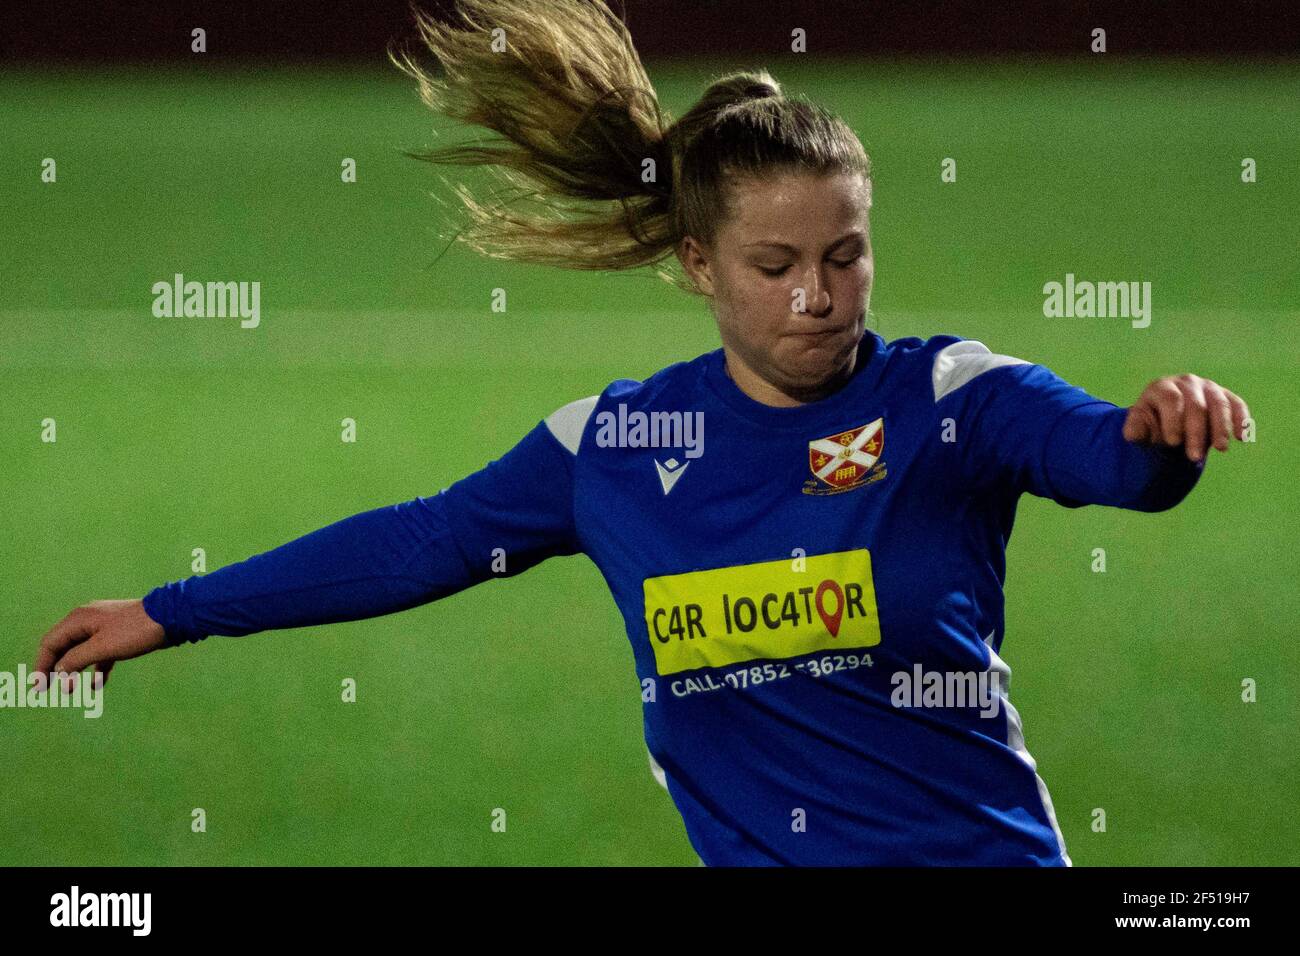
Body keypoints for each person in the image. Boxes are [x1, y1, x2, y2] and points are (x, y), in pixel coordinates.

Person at [33, 0, 1251, 866]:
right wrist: (169, 610)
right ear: (695, 264)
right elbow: (421, 543)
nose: (816, 296)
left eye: (845, 255)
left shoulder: (954, 399)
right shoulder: (613, 445)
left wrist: (1165, 432)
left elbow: (1115, 463)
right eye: (773, 265)